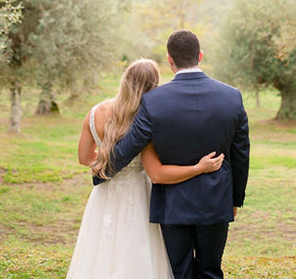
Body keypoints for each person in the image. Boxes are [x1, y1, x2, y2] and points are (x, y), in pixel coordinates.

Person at [105, 30, 250, 279]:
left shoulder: (153, 101)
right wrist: (235, 201)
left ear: (170, 60)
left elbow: (130, 146)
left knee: (179, 272)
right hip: (216, 201)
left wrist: (102, 170)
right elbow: (241, 155)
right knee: (210, 271)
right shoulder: (231, 97)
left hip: (173, 204)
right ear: (200, 56)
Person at [65, 58, 225, 279]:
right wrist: (199, 167)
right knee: (138, 254)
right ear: (153, 87)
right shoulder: (145, 121)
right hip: (140, 196)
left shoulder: (95, 113)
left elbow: (84, 158)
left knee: (102, 251)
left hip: (105, 195)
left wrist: (104, 159)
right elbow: (156, 173)